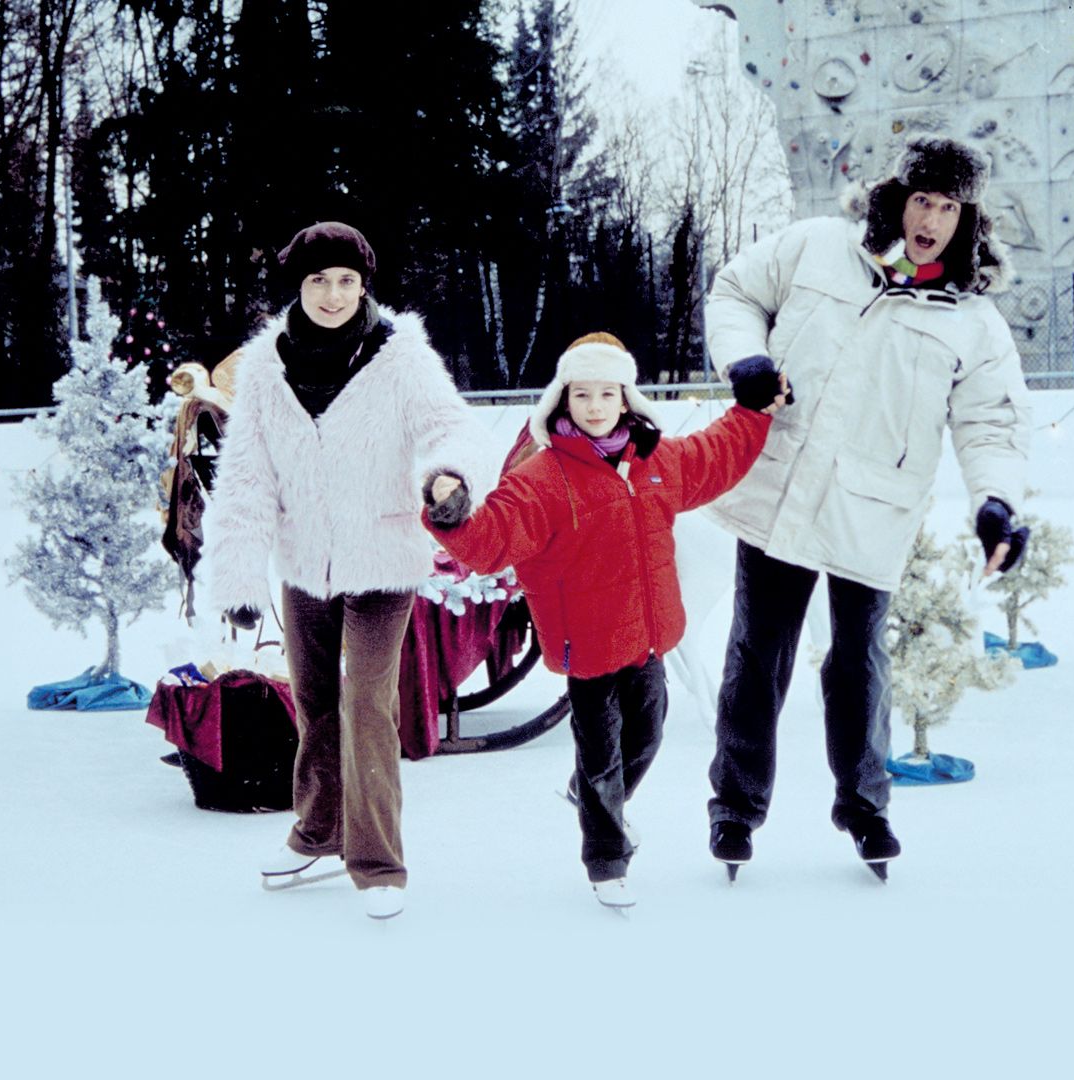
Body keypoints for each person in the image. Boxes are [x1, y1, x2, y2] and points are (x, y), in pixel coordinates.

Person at [699, 134, 1033, 881]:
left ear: (966, 218)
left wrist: (997, 502)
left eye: (949, 207)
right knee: (757, 655)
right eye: (923, 200)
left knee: (858, 663)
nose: (933, 219)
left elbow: (992, 422)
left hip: (873, 507)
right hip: (783, 487)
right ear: (897, 197)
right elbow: (734, 292)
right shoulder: (819, 247)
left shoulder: (971, 318)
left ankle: (865, 808)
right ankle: (735, 809)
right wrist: (745, 362)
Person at [421, 333, 787, 910]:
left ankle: (596, 799)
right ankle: (606, 860)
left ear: (626, 398)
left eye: (606, 393)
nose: (594, 406)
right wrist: (452, 513)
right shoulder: (540, 479)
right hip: (586, 645)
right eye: (582, 394)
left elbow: (714, 456)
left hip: (648, 638)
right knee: (600, 756)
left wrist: (752, 413)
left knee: (649, 732)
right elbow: (492, 540)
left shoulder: (655, 460)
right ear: (562, 402)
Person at [204, 221, 497, 921]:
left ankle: (377, 863)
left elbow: (448, 427)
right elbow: (244, 478)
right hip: (305, 564)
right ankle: (316, 832)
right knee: (313, 703)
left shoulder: (402, 357)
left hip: (385, 562)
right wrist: (240, 576)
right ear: (297, 287)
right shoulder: (266, 370)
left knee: (367, 704)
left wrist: (447, 475)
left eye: (346, 281)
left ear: (364, 286)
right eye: (317, 281)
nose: (333, 295)